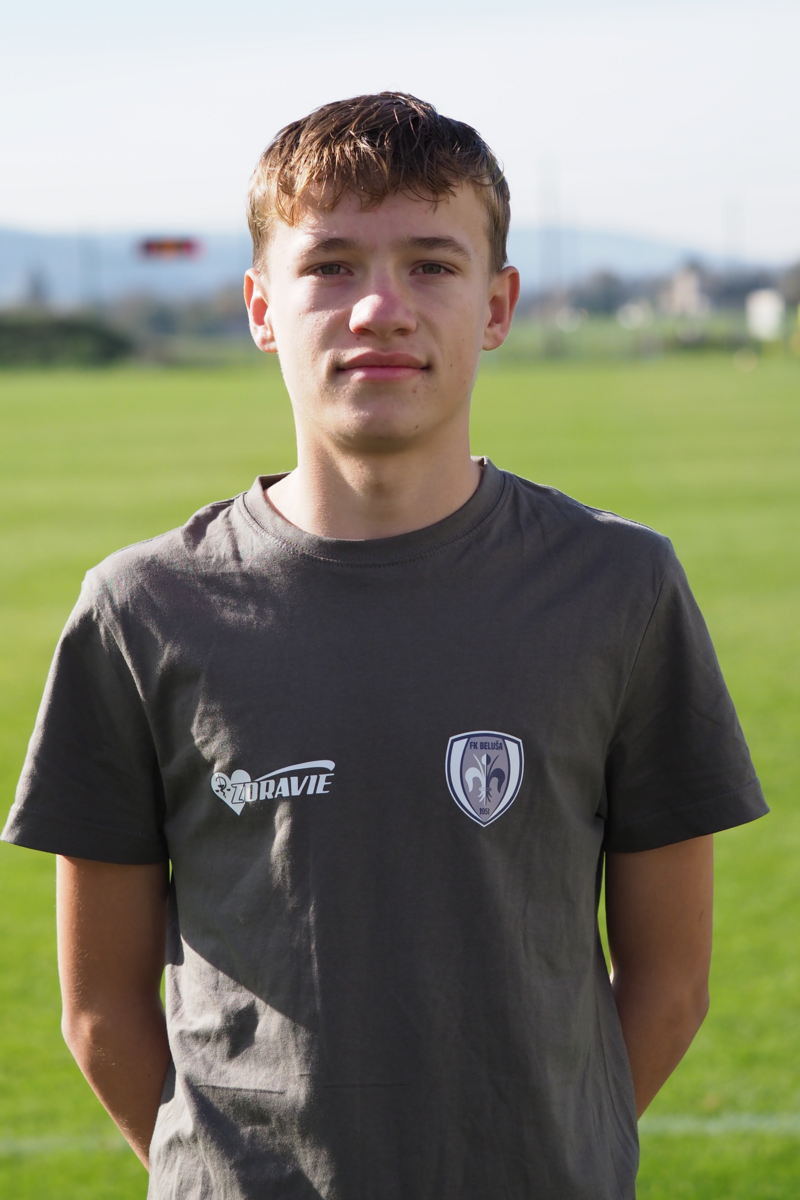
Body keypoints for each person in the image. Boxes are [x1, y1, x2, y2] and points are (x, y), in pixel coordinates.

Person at [2, 92, 768, 1199]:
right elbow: (100, 1011)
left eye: (431, 265)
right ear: (262, 307)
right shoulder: (141, 609)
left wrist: (543, 1156)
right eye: (329, 267)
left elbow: (669, 985)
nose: (379, 309)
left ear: (496, 305)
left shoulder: (620, 587)